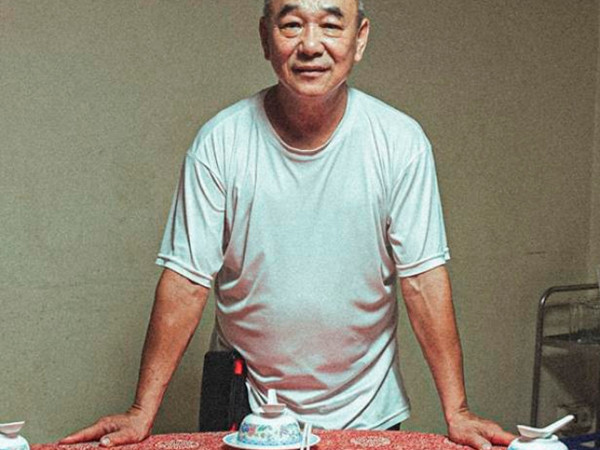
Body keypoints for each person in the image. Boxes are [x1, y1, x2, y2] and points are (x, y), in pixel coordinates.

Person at [61, 1, 515, 448]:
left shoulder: (400, 142)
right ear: (265, 37)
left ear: (359, 39)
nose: (311, 45)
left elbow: (422, 281)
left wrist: (457, 410)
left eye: (331, 26)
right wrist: (141, 411)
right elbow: (186, 283)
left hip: (367, 410)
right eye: (292, 24)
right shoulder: (220, 142)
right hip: (244, 408)